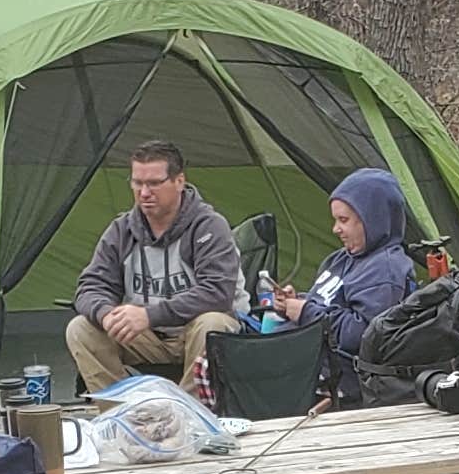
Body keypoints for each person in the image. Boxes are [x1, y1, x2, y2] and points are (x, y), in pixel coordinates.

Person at [65, 141, 245, 390]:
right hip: (147, 338)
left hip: (196, 333)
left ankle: (187, 416)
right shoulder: (122, 229)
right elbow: (90, 285)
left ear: (179, 182)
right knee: (82, 328)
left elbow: (217, 293)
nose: (144, 193)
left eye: (154, 183)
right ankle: (123, 413)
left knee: (212, 323)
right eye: (137, 183)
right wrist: (105, 314)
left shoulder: (209, 226)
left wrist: (149, 315)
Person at [266, 167, 419, 405]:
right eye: (335, 219)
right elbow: (329, 303)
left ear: (373, 220)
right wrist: (294, 302)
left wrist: (306, 312)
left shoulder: (385, 270)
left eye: (343, 220)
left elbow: (365, 335)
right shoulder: (341, 258)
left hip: (338, 382)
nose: (335, 229)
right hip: (303, 361)